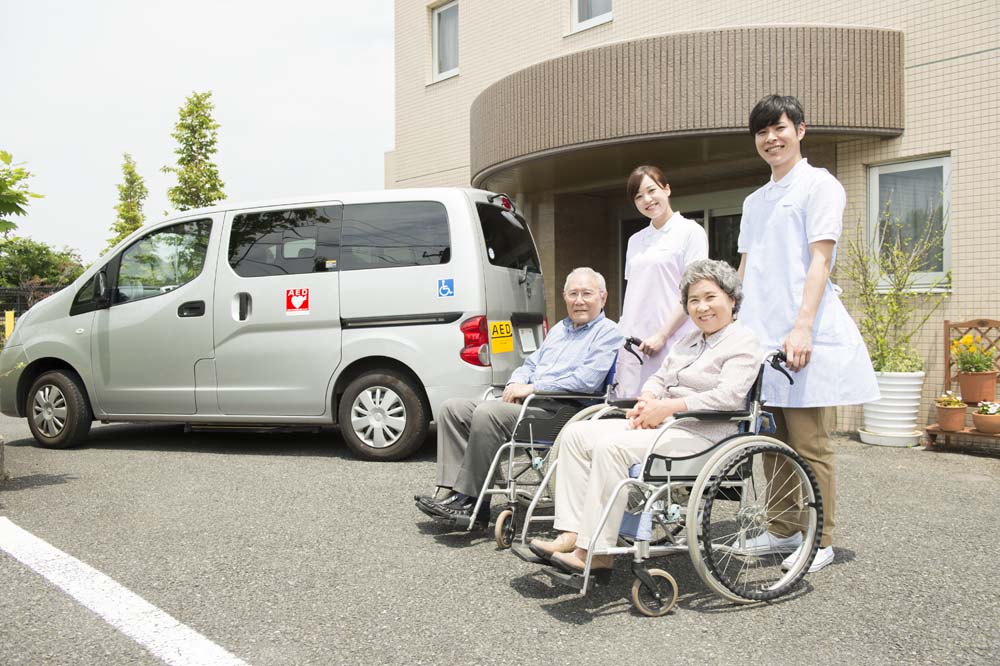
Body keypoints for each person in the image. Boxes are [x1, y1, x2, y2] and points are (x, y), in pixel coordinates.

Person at [529, 259, 761, 573]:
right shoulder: (689, 340)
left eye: (710, 297)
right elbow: (659, 377)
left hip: (705, 435)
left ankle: (596, 553)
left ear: (731, 300)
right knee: (576, 434)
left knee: (611, 448)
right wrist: (648, 398)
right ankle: (571, 531)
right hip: (666, 426)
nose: (702, 308)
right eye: (693, 300)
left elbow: (729, 396)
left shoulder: (743, 340)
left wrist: (669, 407)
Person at [735, 94, 879, 573]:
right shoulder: (755, 201)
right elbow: (747, 267)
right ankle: (780, 529)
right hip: (761, 336)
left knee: (809, 442)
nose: (771, 139)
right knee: (770, 440)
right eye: (762, 132)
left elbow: (821, 259)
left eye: (779, 128)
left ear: (800, 129)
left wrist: (802, 328)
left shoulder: (820, 185)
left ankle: (820, 539)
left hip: (801, 334)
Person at [415, 267, 623, 526]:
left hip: (565, 412)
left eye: (586, 293)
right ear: (564, 297)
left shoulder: (609, 332)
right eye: (573, 294)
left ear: (603, 298)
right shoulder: (560, 329)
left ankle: (469, 501)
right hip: (532, 405)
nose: (579, 300)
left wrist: (533, 388)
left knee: (488, 413)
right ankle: (455, 492)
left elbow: (586, 381)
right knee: (452, 409)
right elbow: (531, 364)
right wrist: (517, 380)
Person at [616, 166, 709, 397]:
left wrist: (662, 335)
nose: (647, 200)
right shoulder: (635, 240)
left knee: (664, 406)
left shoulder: (690, 231)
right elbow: (634, 292)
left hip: (673, 340)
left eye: (651, 190)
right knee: (629, 408)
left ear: (666, 189)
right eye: (638, 196)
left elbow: (692, 292)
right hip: (634, 342)